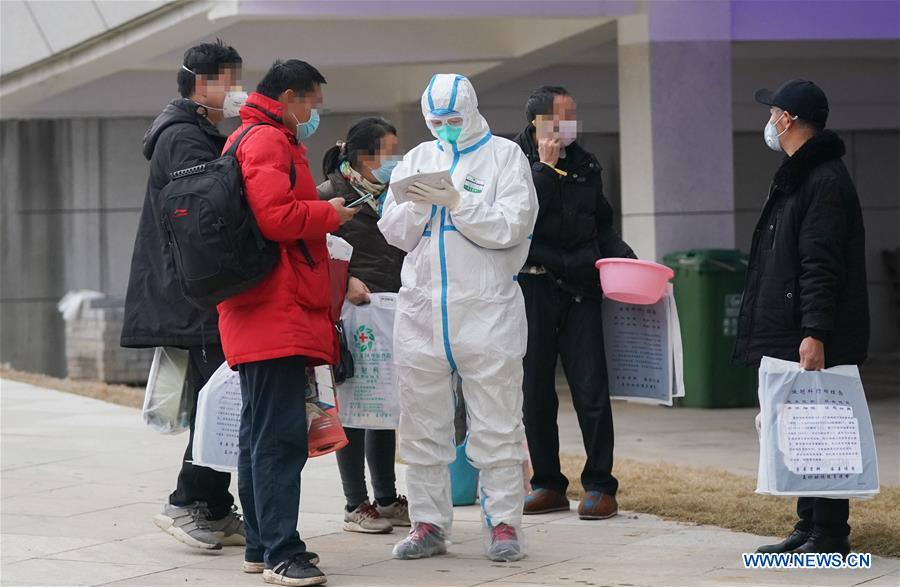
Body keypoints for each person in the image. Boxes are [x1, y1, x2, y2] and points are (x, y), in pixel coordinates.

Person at [378, 74, 538, 562]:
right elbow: (393, 231)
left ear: (470, 112)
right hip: (423, 314)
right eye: (436, 121)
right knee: (423, 425)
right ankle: (428, 523)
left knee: (498, 424)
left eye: (453, 120)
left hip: (485, 313)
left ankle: (504, 523)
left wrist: (458, 202)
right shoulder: (418, 158)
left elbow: (513, 226)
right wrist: (415, 204)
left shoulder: (505, 158)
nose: (445, 128)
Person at [218, 59, 358, 586]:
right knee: (277, 438)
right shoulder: (268, 142)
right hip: (273, 308)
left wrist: (315, 205)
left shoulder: (248, 139)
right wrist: (330, 215)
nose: (314, 115)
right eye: (313, 105)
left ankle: (262, 544)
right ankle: (282, 553)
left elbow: (269, 209)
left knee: (260, 433)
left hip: (262, 307)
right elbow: (277, 219)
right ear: (292, 97)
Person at [734, 79, 869, 557]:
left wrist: (814, 332)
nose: (769, 121)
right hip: (794, 326)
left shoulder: (824, 179)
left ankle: (830, 533)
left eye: (772, 113)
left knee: (824, 432)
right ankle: (808, 525)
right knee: (803, 431)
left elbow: (820, 264)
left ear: (788, 120)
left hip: (812, 331)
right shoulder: (800, 175)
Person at [121, 39, 247, 551]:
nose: (237, 91)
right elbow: (204, 211)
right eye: (229, 80)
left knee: (217, 397)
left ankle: (214, 507)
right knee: (217, 400)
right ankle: (184, 501)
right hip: (191, 295)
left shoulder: (195, 132)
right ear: (203, 83)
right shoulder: (181, 138)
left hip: (196, 291)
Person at [513, 86, 634, 521]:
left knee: (591, 390)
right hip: (533, 286)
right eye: (565, 116)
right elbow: (517, 220)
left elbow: (601, 223)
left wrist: (627, 259)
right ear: (539, 122)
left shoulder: (586, 163)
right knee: (535, 392)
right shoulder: (512, 161)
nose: (573, 124)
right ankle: (547, 483)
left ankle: (600, 485)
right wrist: (544, 169)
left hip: (581, 288)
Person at [316, 117, 410, 534]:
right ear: (366, 155)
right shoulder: (329, 195)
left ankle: (387, 498)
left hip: (391, 308)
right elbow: (313, 255)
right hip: (349, 314)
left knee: (384, 401)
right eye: (389, 151)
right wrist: (346, 279)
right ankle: (356, 502)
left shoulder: (394, 194)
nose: (396, 159)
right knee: (353, 406)